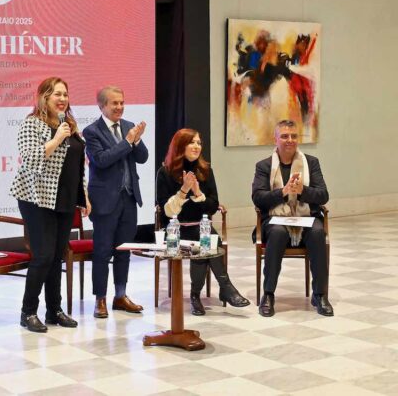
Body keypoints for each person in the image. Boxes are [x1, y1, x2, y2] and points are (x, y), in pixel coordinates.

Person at [10, 77, 90, 333]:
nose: (62, 98)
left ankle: (54, 310)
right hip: (36, 198)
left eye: (65, 94)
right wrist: (56, 139)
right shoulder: (31, 124)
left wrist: (84, 195)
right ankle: (28, 312)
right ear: (44, 97)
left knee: (57, 256)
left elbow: (78, 166)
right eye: (57, 94)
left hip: (65, 198)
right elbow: (31, 160)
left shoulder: (70, 124)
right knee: (43, 255)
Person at [156, 129, 250, 315]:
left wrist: (198, 194)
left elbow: (212, 206)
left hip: (201, 226)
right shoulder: (165, 172)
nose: (197, 146)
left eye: (199, 142)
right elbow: (167, 211)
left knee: (208, 241)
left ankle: (198, 294)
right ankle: (223, 289)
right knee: (205, 244)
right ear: (180, 146)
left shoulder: (206, 170)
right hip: (176, 230)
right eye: (192, 142)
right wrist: (184, 191)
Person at [252, 119, 332, 317]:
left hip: (305, 219)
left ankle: (320, 294)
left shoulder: (311, 163)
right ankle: (268, 294)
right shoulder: (264, 166)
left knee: (317, 232)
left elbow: (323, 195)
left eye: (294, 136)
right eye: (285, 136)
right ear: (276, 139)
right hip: (275, 220)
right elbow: (258, 198)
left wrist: (302, 191)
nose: (290, 140)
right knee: (278, 233)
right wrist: (283, 192)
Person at [83, 86, 148, 319]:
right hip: (104, 201)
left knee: (124, 250)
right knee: (102, 252)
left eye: (121, 102)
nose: (119, 107)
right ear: (102, 106)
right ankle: (99, 299)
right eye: (114, 103)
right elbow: (101, 161)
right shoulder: (91, 131)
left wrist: (136, 142)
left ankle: (120, 296)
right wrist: (127, 143)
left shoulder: (129, 127)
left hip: (128, 198)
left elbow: (143, 158)